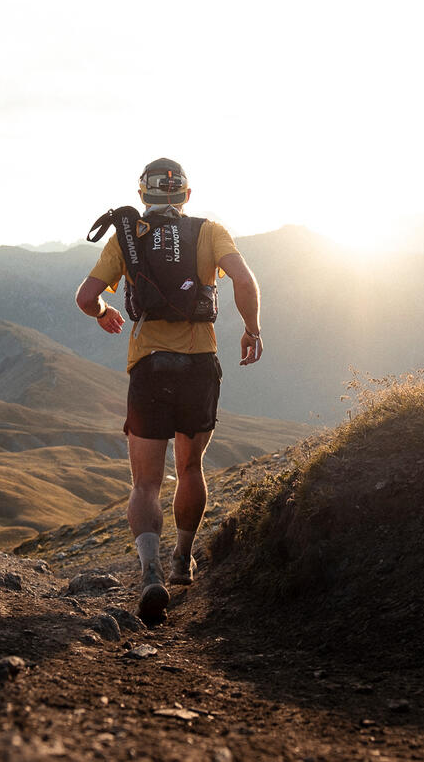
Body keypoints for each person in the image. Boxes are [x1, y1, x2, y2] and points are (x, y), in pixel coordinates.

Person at [75, 158, 262, 623]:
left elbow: (85, 297)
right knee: (191, 467)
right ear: (186, 196)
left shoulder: (126, 237)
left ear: (143, 196)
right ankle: (183, 558)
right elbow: (242, 279)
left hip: (150, 367)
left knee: (145, 483)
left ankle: (150, 571)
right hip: (201, 366)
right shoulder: (210, 231)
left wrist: (103, 312)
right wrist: (252, 329)